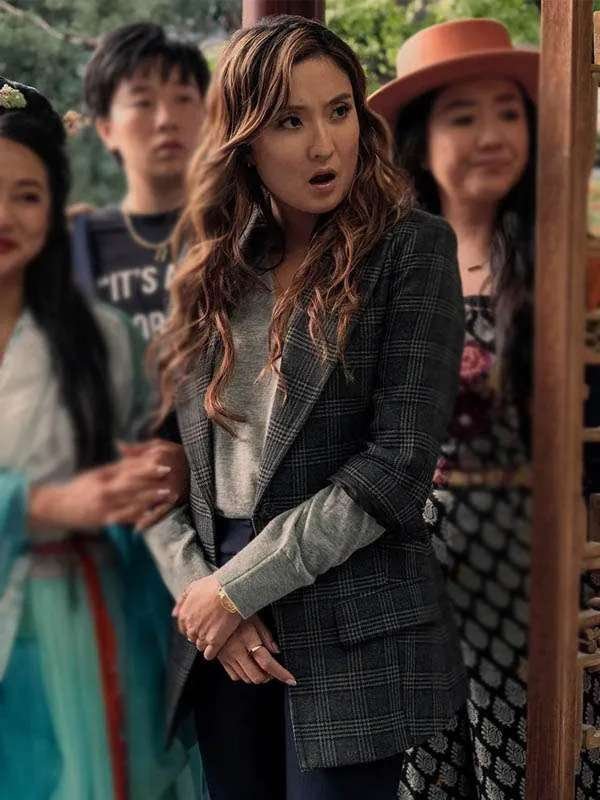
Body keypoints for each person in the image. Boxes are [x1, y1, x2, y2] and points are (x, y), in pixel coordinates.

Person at [143, 14, 466, 800]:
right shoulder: (210, 268)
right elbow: (154, 468)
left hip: (346, 617)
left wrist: (238, 587)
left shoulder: (412, 250)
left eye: (339, 110)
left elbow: (396, 466)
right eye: (290, 121)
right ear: (244, 140)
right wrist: (201, 596)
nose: (325, 145)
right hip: (222, 615)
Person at [370, 18, 600, 799]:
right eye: (463, 117)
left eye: (508, 111)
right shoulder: (380, 271)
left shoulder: (575, 267)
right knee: (428, 772)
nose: (493, 134)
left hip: (533, 560)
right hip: (411, 568)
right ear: (420, 143)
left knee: (529, 764)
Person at [0, 77, 206, 799]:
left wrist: (167, 470)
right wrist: (40, 506)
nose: (5, 216)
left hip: (90, 624)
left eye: (27, 194)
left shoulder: (106, 340)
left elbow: (149, 483)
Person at [74, 22, 210, 341]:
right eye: (143, 102)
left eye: (182, 98)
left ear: (207, 116)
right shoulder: (76, 244)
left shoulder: (239, 234)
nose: (166, 120)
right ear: (106, 129)